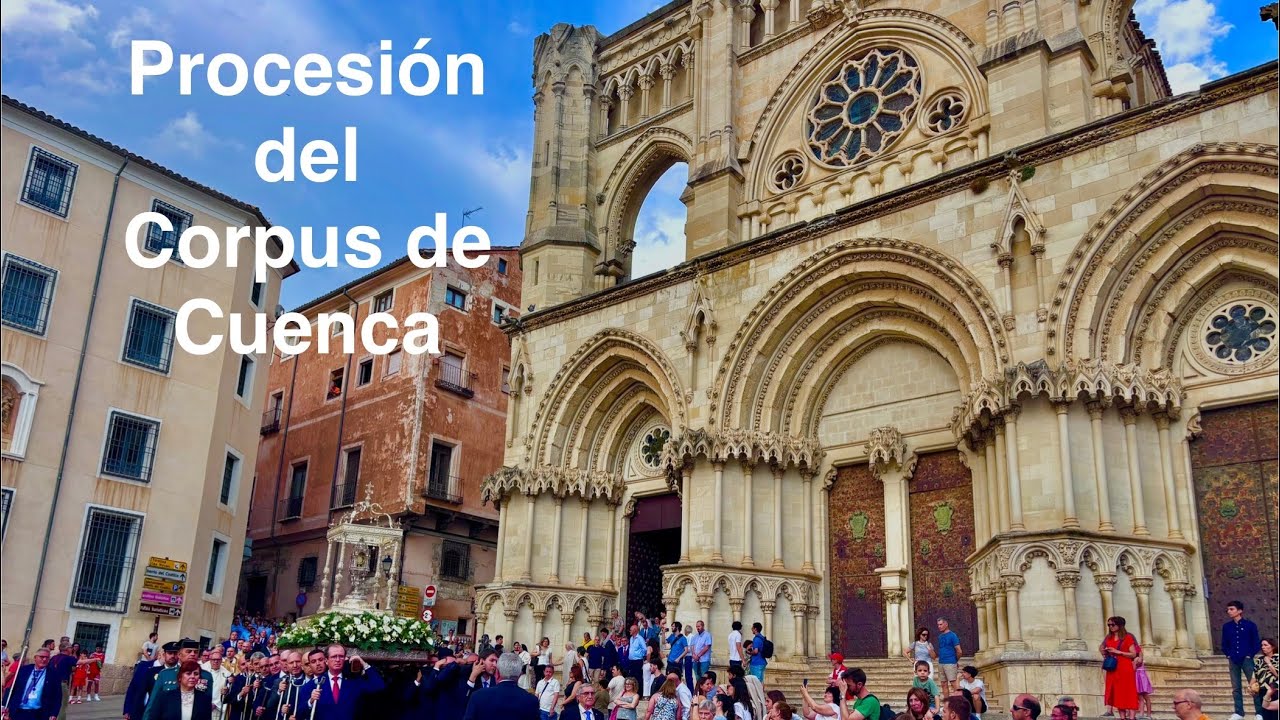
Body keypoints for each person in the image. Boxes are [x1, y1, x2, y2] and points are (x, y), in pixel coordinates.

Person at [299, 644, 385, 720]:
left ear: (345, 659)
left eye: (341, 656)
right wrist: (310, 701)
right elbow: (300, 715)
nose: (337, 660)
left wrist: (364, 664)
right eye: (334, 656)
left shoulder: (354, 682)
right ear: (326, 660)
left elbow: (379, 686)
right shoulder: (313, 685)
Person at [463, 652, 539, 720]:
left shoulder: (478, 696)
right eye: (491, 660)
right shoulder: (532, 701)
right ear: (519, 675)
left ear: (498, 672)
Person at [1224, 600, 1264, 720]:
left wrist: (1249, 655)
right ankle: (1239, 713)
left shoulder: (1250, 625)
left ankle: (1259, 713)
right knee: (1236, 687)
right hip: (1233, 660)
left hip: (1247, 660)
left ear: (1240, 611)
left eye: (1232, 609)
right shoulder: (1226, 626)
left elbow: (1256, 642)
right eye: (1228, 609)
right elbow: (1224, 643)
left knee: (1254, 686)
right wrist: (1228, 654)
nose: (1229, 611)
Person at [141, 660, 214, 720]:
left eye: (196, 674)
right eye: (188, 673)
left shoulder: (204, 699)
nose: (192, 676)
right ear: (180, 677)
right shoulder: (164, 697)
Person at [3, 647, 61, 720]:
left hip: (39, 713)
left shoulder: (53, 674)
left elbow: (57, 696)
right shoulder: (24, 670)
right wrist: (4, 705)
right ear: (35, 658)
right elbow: (11, 688)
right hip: (18, 711)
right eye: (42, 657)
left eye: (47, 657)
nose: (44, 659)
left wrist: (54, 713)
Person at [1101, 616, 1140, 720]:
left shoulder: (1127, 637)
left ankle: (1132, 717)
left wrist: (1118, 652)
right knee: (1117, 693)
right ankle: (1122, 717)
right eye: (1109, 625)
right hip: (1112, 668)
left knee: (1129, 691)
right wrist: (1105, 651)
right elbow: (1101, 647)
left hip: (1125, 667)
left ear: (1120, 625)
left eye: (1113, 625)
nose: (1110, 627)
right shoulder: (1108, 638)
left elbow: (1133, 654)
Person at [935, 620, 962, 698]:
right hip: (941, 662)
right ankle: (947, 704)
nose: (939, 626)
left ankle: (959, 702)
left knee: (953, 683)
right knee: (943, 684)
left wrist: (954, 661)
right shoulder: (940, 636)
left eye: (941, 624)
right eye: (938, 625)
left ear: (946, 624)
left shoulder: (953, 635)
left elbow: (959, 651)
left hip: (950, 662)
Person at [1134, 654, 1153, 720]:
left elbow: (1134, 669)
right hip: (1142, 678)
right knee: (1144, 697)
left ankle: (1144, 714)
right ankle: (1147, 714)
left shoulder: (1136, 659)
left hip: (1139, 678)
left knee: (1143, 697)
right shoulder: (1140, 658)